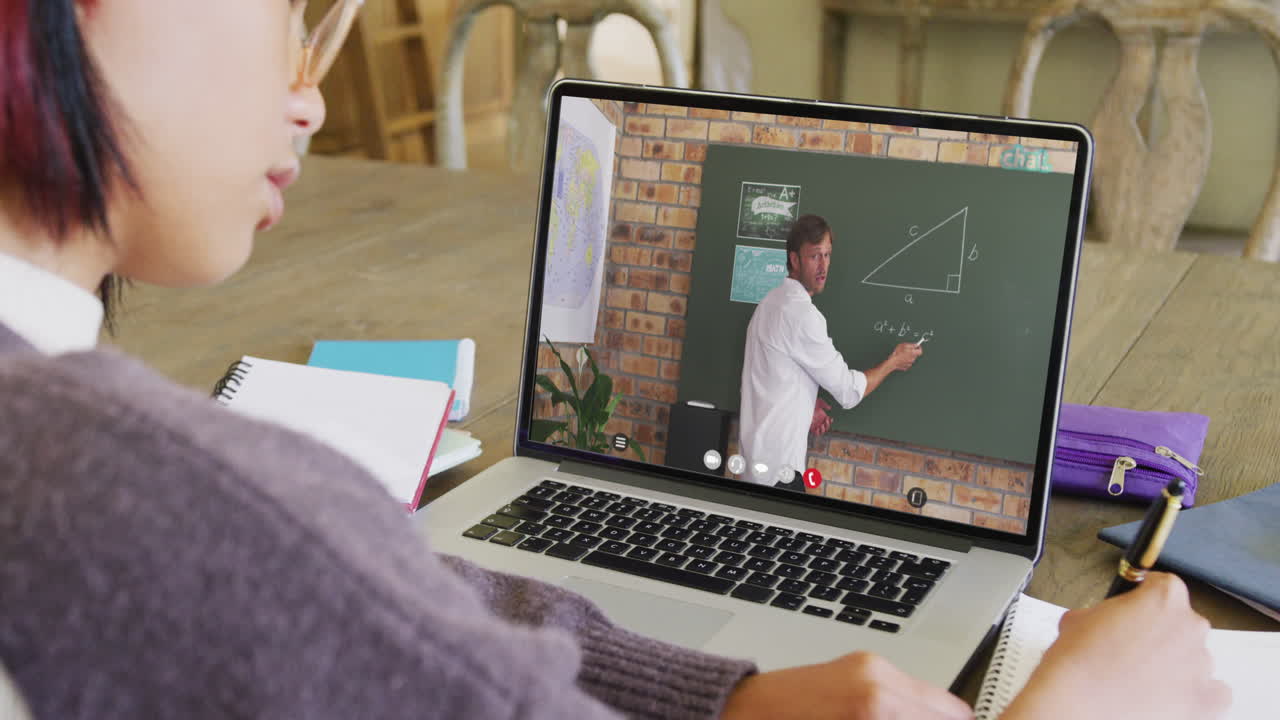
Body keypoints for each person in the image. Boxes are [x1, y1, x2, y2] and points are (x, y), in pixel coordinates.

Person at [0, 2, 1230, 719]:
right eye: (282, 8)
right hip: (783, 465)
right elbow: (301, 574)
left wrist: (728, 699)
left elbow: (390, 611)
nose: (309, 91)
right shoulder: (157, 498)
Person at [739, 215, 922, 491]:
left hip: (754, 467)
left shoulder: (769, 303)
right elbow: (849, 392)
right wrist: (894, 362)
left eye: (827, 255)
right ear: (795, 260)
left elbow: (771, 377)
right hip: (780, 475)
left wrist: (803, 406)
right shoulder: (802, 316)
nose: (823, 266)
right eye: (814, 257)